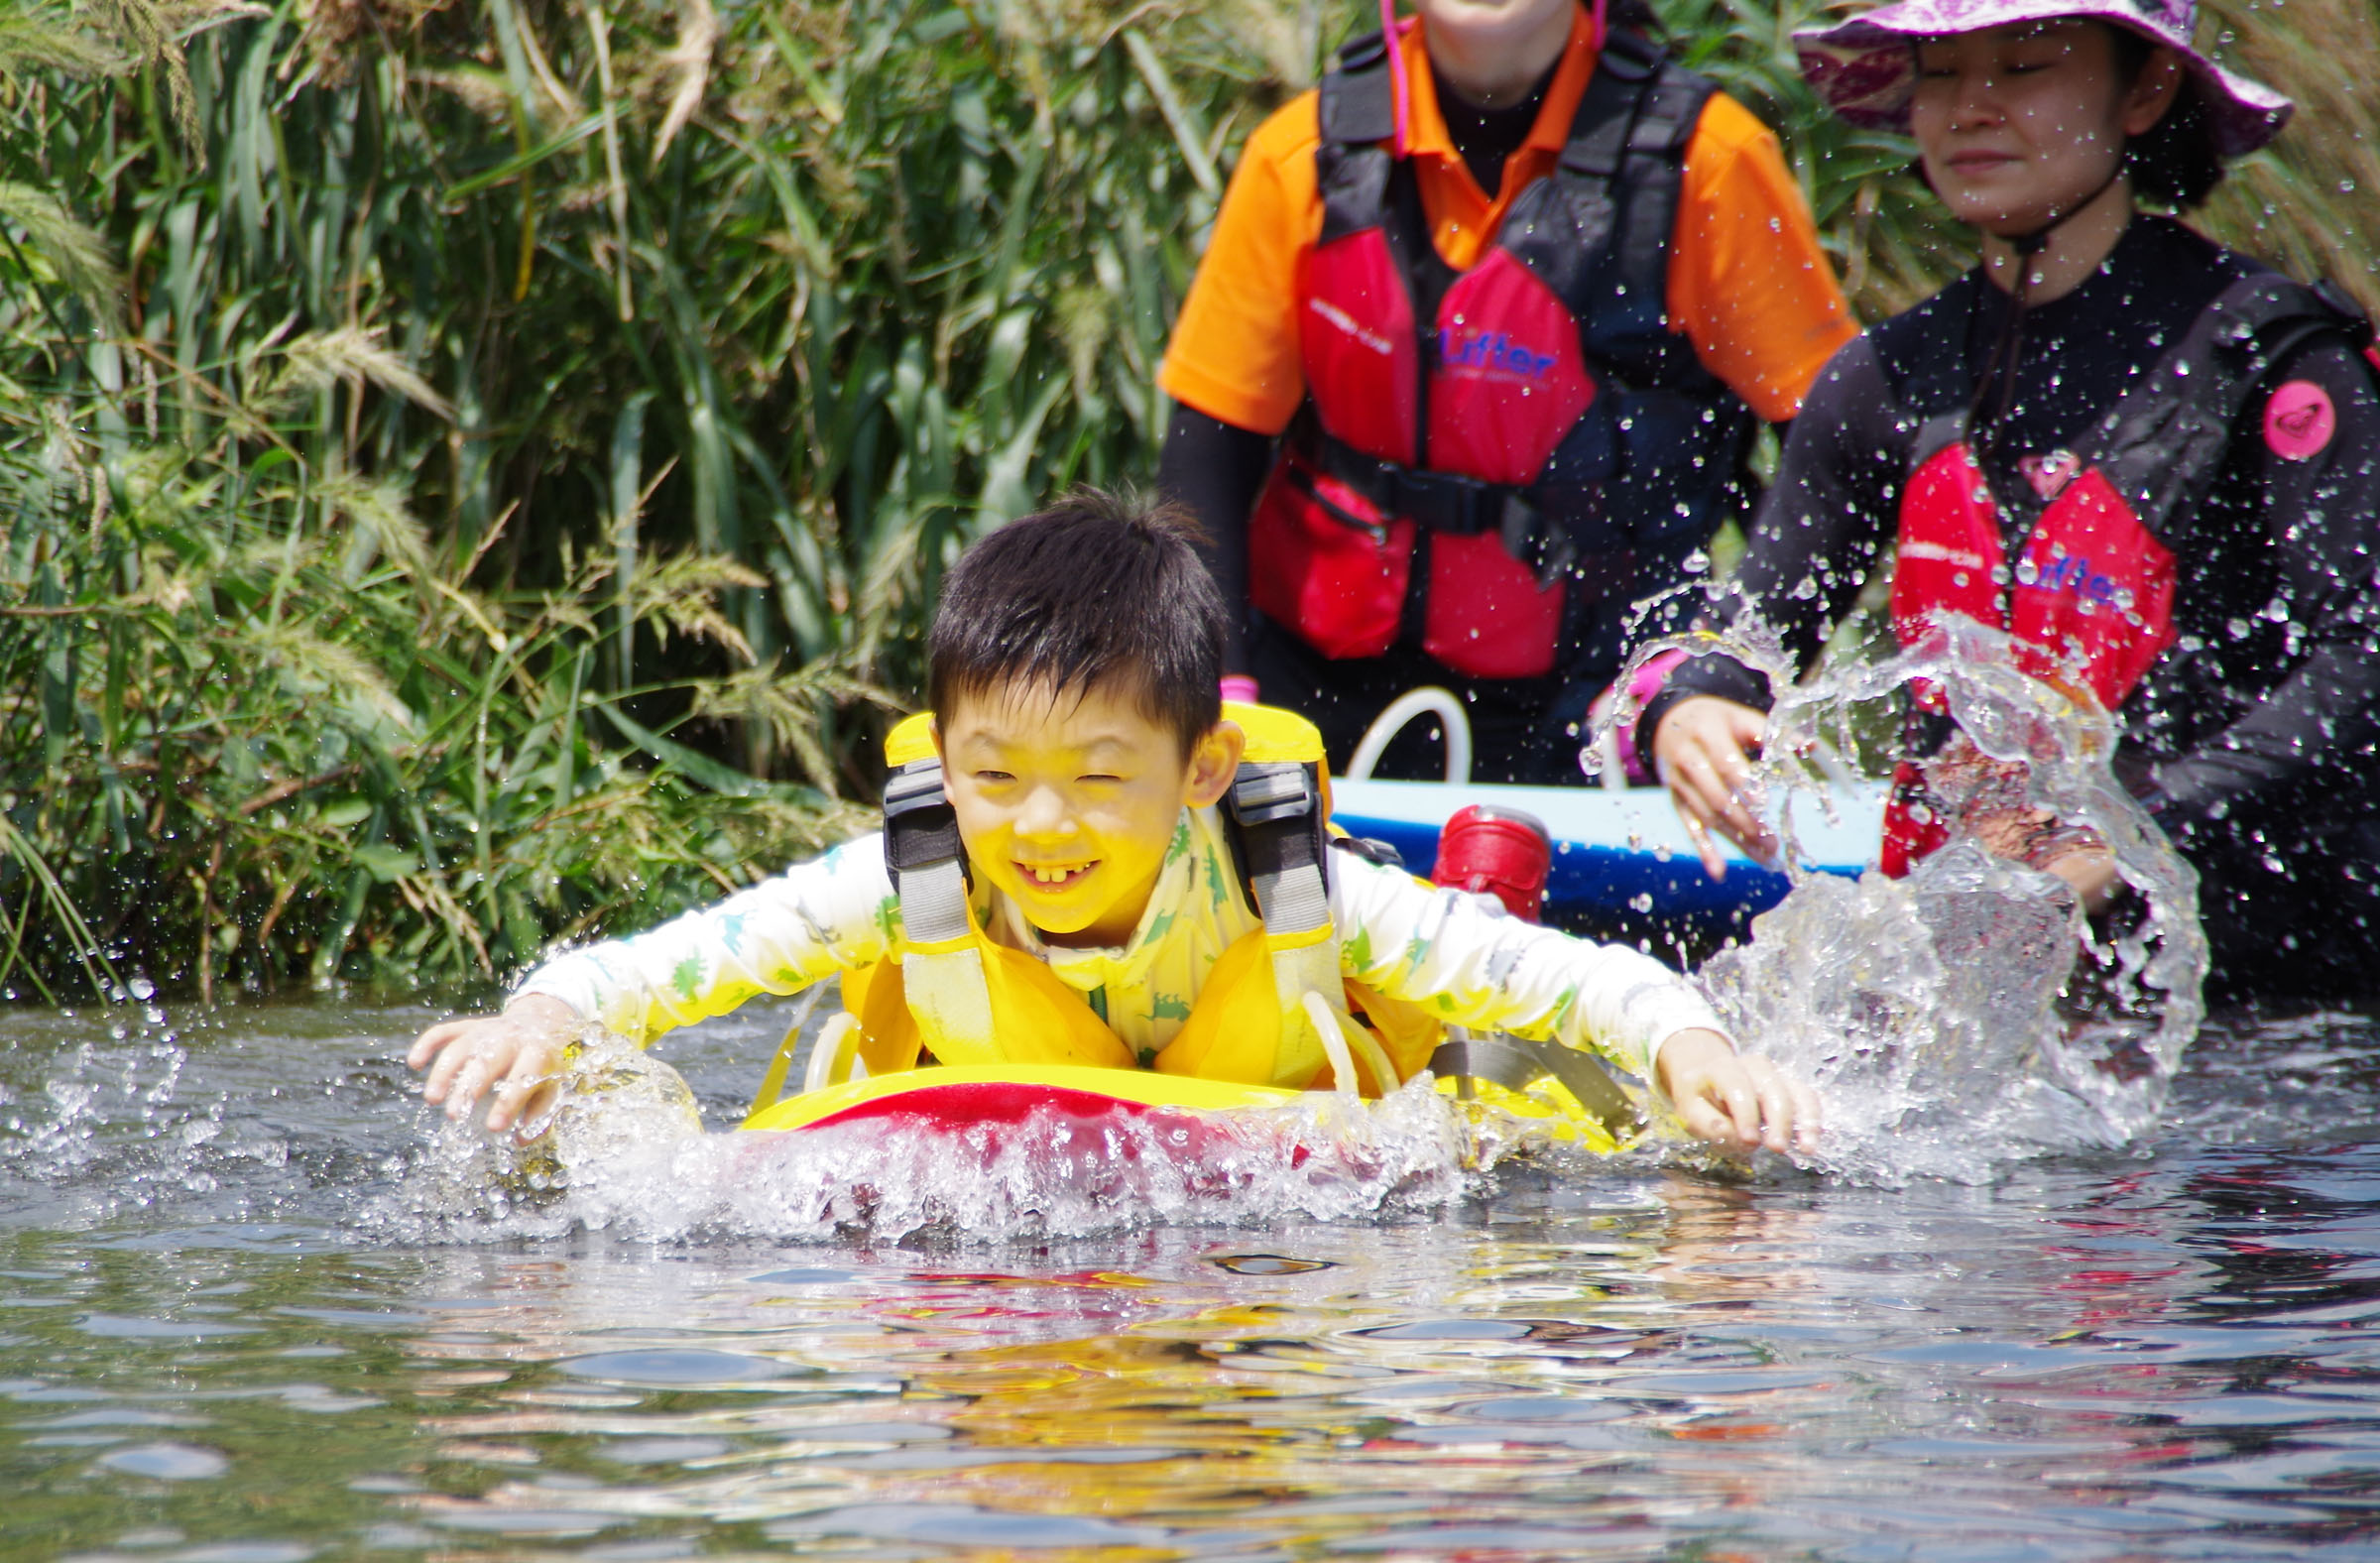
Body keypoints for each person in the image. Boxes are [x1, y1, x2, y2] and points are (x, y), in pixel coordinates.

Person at [410, 495, 1817, 1156]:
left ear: (1201, 769)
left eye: (1097, 777)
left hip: (1285, 1171)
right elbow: (672, 965)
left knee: (1547, 1088)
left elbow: (1571, 981)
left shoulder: (1286, 868)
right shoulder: (914, 872)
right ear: (946, 764)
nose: (1039, 822)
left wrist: (1693, 1048)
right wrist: (538, 1023)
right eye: (995, 774)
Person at [1642, 0, 2380, 1001]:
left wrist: (2125, 843)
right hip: (1976, 1008)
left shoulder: (2275, 363)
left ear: (2147, 91)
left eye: (2024, 68)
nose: (1971, 107)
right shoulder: (1886, 379)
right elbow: (1755, 626)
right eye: (1942, 75)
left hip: (2272, 1009)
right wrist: (1691, 703)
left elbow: (2363, 660)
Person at [1155, 0, 1857, 783]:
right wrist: (1217, 695)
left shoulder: (1708, 164)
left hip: (1603, 721)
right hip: (1310, 700)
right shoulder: (1299, 156)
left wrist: (1719, 673)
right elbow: (1205, 457)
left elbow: (1837, 467)